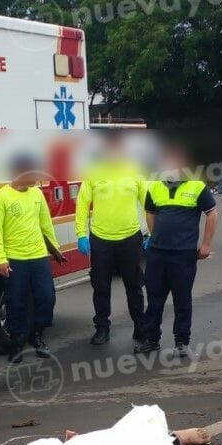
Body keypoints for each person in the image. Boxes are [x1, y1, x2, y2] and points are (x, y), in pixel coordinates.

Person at [135, 150, 218, 357]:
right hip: (157, 254)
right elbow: (150, 213)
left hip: (183, 255)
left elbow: (212, 214)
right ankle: (151, 340)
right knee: (154, 299)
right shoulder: (154, 186)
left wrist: (206, 244)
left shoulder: (197, 187)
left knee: (182, 300)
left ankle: (182, 342)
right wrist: (155, 237)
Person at [0, 154, 67, 364]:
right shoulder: (1, 198)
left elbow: (45, 223)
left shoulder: (37, 195)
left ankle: (37, 333)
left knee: (47, 297)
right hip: (15, 259)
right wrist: (1, 259)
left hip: (39, 256)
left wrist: (55, 250)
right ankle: (17, 342)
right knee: (15, 302)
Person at [75, 133, 148, 346]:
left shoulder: (136, 172)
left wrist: (152, 232)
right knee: (100, 286)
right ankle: (102, 328)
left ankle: (140, 327)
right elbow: (81, 204)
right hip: (101, 239)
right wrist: (81, 234)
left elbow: (149, 203)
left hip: (130, 237)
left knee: (134, 285)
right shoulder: (93, 172)